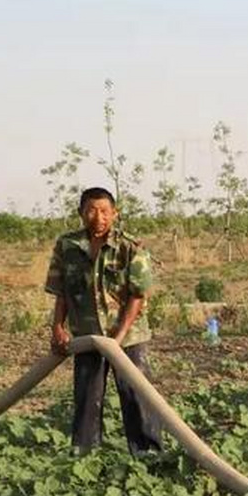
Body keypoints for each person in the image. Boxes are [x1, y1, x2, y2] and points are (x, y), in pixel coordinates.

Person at [44, 187, 165, 454]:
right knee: (87, 398)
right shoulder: (67, 247)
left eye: (104, 211)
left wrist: (118, 338)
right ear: (80, 213)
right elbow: (62, 291)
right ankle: (85, 456)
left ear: (114, 213)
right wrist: (57, 328)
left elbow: (137, 296)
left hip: (129, 336)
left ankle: (148, 456)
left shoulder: (130, 248)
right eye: (91, 210)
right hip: (87, 337)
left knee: (137, 396)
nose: (98, 217)